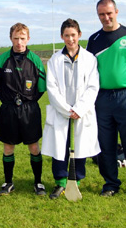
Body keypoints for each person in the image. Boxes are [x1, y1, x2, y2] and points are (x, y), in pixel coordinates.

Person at [86, 0, 126, 199]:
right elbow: (88, 71)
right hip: (102, 98)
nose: (106, 18)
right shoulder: (93, 39)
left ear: (117, 12)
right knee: (106, 145)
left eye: (109, 13)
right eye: (101, 14)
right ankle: (111, 184)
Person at [42, 19, 101, 199]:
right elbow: (51, 87)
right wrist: (67, 110)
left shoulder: (89, 59)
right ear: (62, 37)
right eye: (66, 35)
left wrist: (80, 109)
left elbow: (93, 86)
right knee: (60, 147)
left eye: (73, 35)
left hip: (82, 112)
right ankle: (60, 182)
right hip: (61, 112)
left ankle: (76, 181)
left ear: (79, 35)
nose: (70, 39)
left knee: (81, 146)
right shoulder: (55, 59)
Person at [0, 23, 47, 196]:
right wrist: (8, 102)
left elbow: (42, 87)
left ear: (28, 39)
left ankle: (38, 182)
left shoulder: (35, 60)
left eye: (23, 38)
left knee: (34, 147)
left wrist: (28, 101)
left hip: (30, 109)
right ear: (11, 38)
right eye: (16, 38)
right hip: (8, 109)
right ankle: (8, 182)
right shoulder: (2, 59)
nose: (19, 42)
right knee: (8, 147)